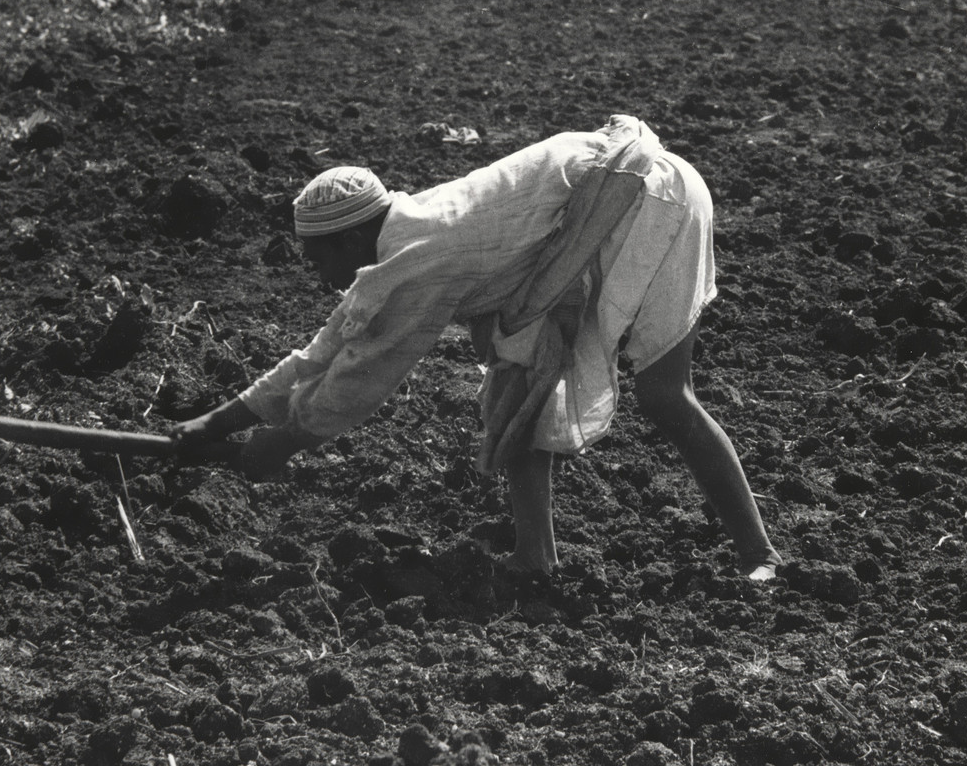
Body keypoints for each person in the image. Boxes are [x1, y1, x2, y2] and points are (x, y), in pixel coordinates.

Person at [166, 115, 778, 580]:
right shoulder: (404, 231)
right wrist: (221, 420)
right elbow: (323, 349)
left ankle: (760, 556)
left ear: (350, 236)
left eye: (316, 256)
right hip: (616, 202)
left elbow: (356, 383)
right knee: (518, 386)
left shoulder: (419, 260)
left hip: (643, 201)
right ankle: (535, 557)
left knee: (666, 395)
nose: (314, 270)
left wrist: (282, 441)